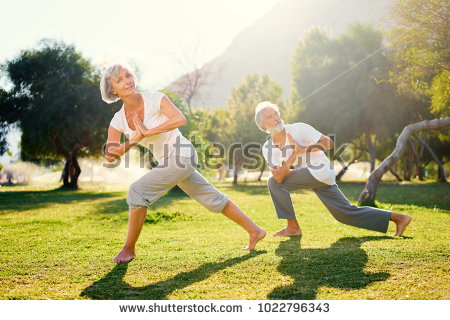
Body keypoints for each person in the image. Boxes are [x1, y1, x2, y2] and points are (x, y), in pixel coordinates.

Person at [100, 62, 266, 262]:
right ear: (112, 90)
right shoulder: (118, 120)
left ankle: (129, 249)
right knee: (211, 197)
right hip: (168, 163)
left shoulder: (155, 99)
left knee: (137, 191)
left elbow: (180, 119)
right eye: (119, 80)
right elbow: (110, 155)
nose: (127, 81)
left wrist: (148, 131)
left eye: (128, 75)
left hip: (183, 154)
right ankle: (255, 231)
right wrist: (134, 140)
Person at [254, 101, 411, 237]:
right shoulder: (268, 147)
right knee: (344, 215)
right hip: (313, 176)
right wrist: (294, 155)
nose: (276, 118)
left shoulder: (299, 128)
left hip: (320, 171)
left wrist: (303, 148)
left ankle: (293, 228)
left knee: (272, 183)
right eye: (270, 117)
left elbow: (328, 143)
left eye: (276, 113)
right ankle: (399, 218)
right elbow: (279, 177)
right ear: (263, 126)